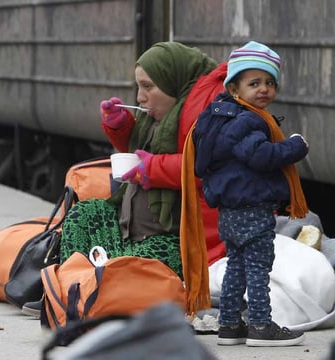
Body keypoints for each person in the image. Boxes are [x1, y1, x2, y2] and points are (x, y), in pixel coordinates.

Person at [53, 41, 225, 316]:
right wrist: (120, 126)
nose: (140, 97)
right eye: (139, 87)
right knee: (84, 213)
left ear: (173, 83)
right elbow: (137, 149)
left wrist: (152, 169)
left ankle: (100, 294)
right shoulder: (156, 119)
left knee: (136, 262)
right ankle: (69, 291)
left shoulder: (203, 118)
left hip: (171, 240)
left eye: (148, 87)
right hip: (129, 233)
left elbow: (206, 168)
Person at [188, 41, 310, 347]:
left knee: (236, 267)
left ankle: (229, 325)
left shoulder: (221, 118)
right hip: (252, 208)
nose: (264, 89)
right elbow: (261, 156)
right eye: (254, 83)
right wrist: (296, 146)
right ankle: (260, 324)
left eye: (270, 82)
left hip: (230, 211)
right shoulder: (247, 121)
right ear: (234, 89)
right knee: (258, 268)